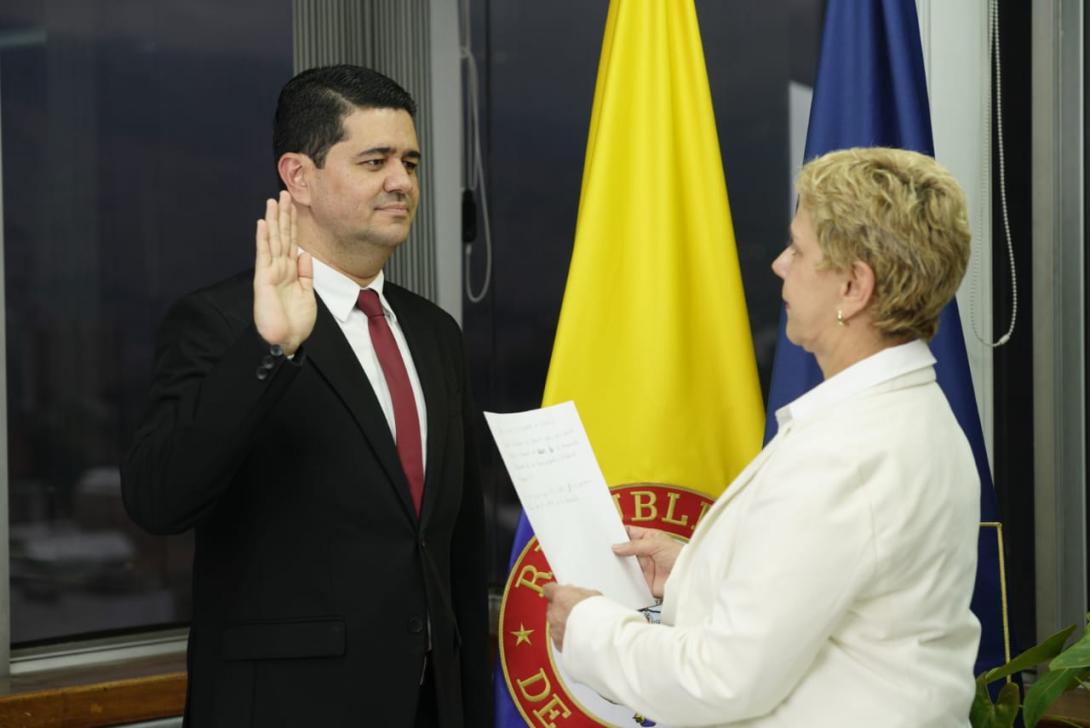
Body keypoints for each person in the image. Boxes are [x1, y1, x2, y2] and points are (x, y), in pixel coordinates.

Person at [544, 147, 982, 727]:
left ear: (853, 286)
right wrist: (695, 574)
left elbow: (722, 679)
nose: (780, 264)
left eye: (799, 250)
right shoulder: (904, 416)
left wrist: (591, 629)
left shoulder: (845, 451)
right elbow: (848, 609)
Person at [122, 65, 488, 728]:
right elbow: (158, 500)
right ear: (298, 177)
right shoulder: (217, 322)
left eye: (409, 161)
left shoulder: (433, 332)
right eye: (374, 160)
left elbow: (454, 547)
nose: (402, 182)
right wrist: (271, 350)